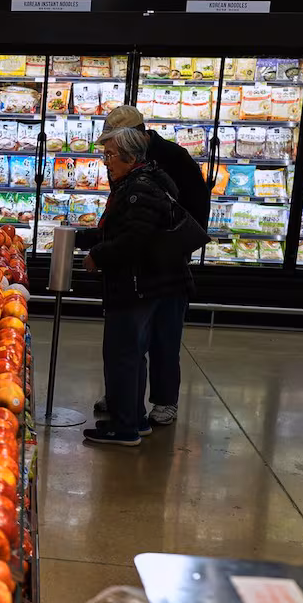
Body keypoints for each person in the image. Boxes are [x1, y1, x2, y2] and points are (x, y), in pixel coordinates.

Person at [89, 105, 208, 426]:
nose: (107, 159)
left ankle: (164, 402)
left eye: (111, 150)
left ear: (134, 137)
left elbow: (193, 210)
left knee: (163, 338)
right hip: (141, 266)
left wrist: (173, 247)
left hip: (166, 263)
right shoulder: (129, 162)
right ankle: (123, 397)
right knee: (131, 341)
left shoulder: (169, 159)